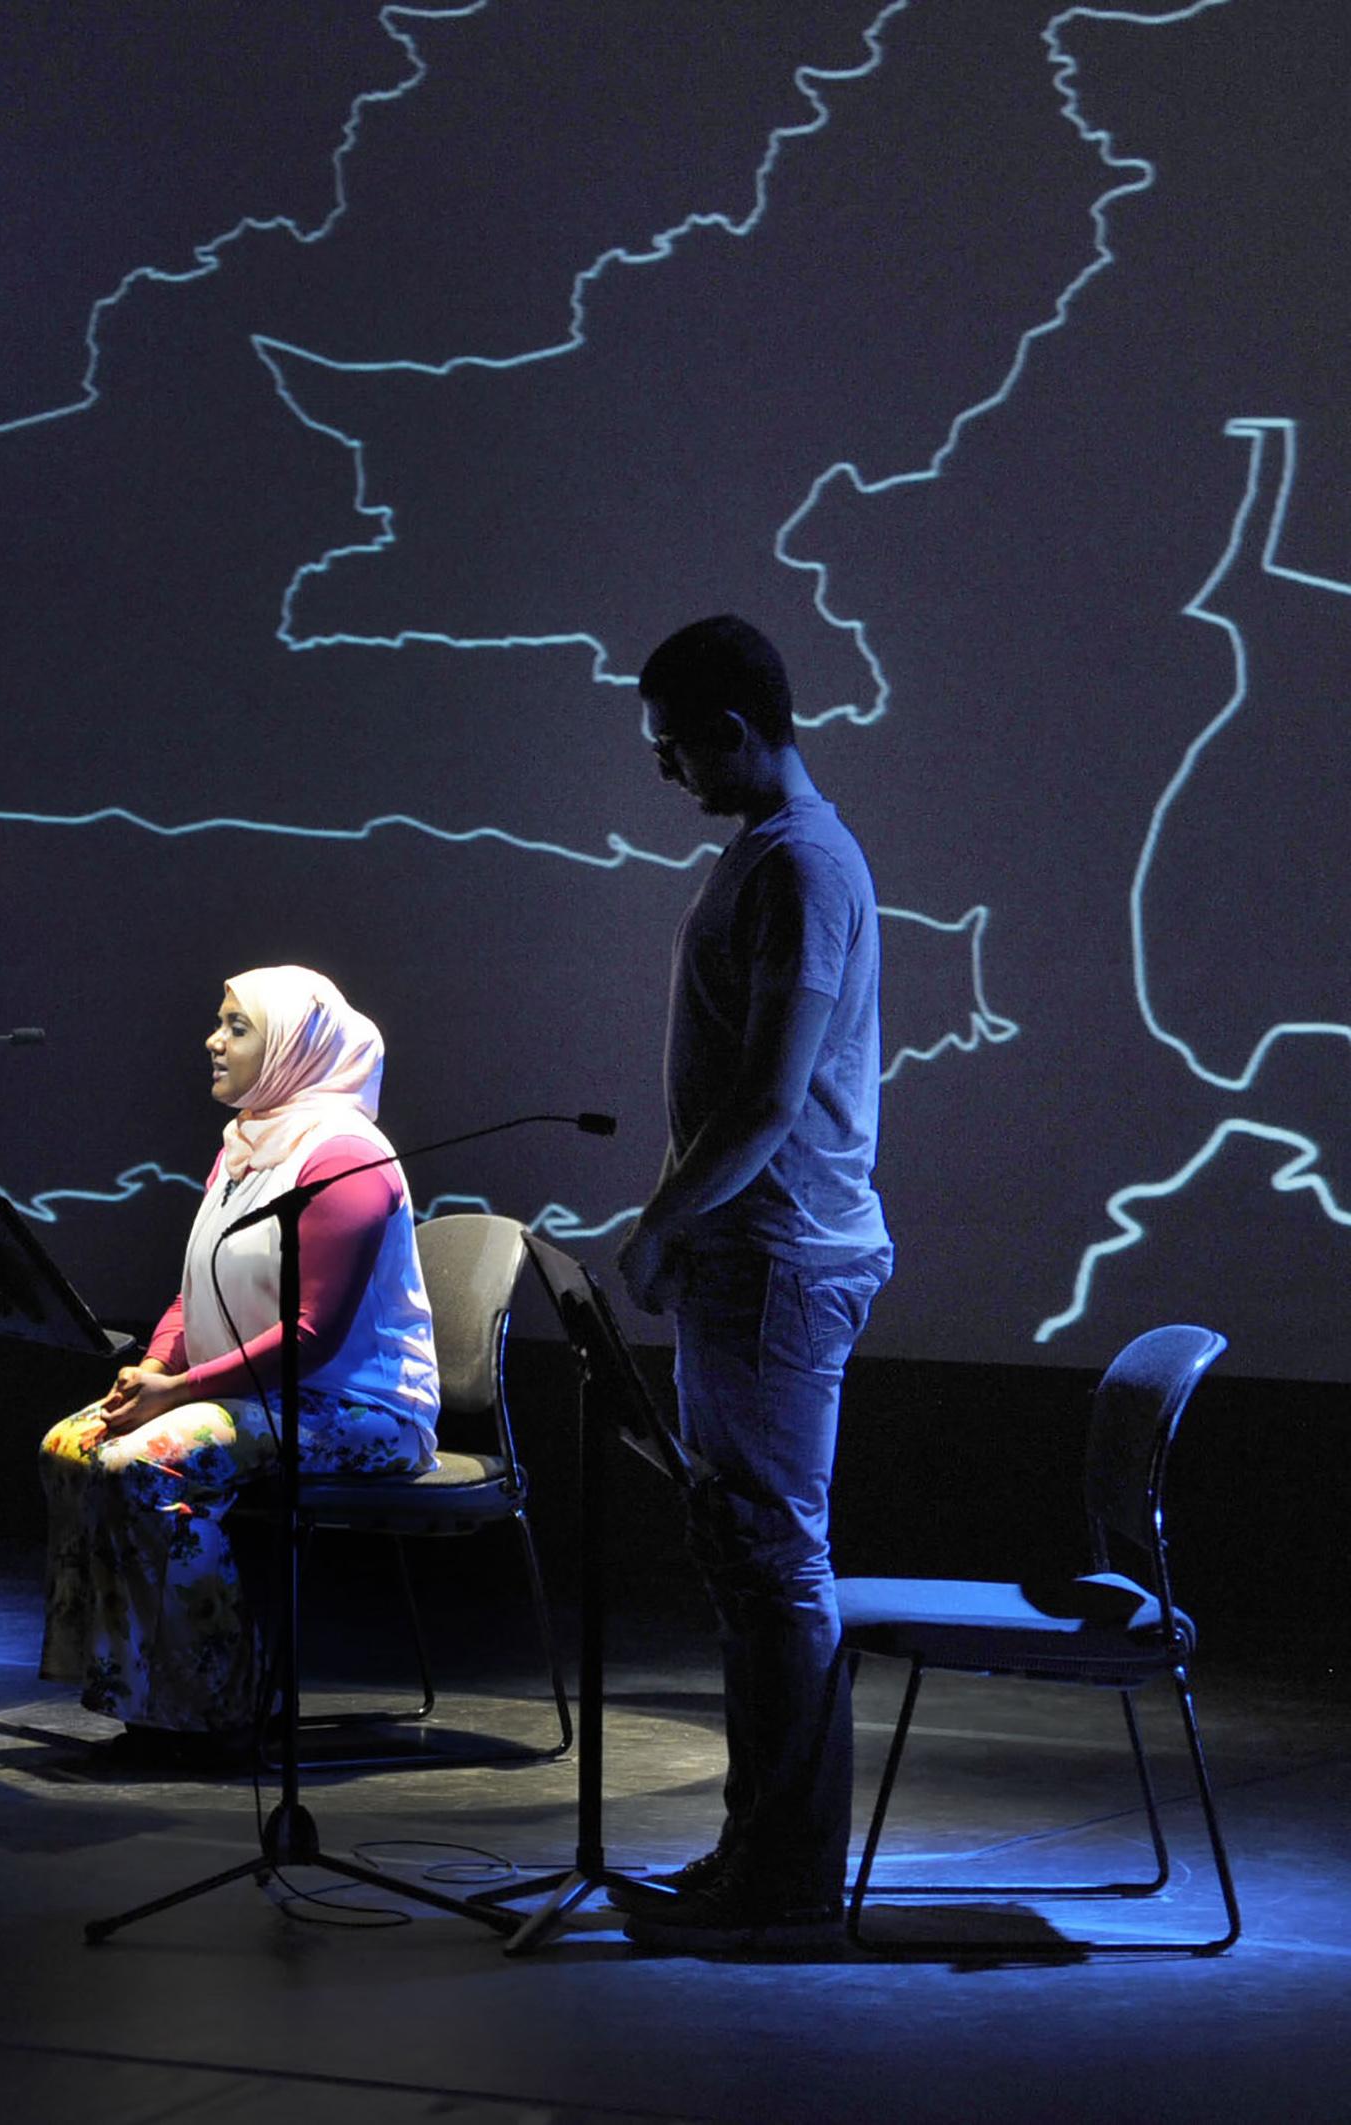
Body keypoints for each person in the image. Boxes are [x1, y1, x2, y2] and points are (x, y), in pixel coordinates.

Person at [610, 614, 894, 1950]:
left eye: (675, 751)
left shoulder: (798, 865)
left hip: (776, 1262)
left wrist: (665, 1223)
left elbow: (772, 1096)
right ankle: (758, 1860)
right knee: (751, 1560)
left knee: (775, 1567)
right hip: (757, 1261)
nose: (668, 776)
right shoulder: (769, 858)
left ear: (732, 731)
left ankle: (782, 1883)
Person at [39, 965, 439, 1762]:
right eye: (218, 1022)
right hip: (248, 1395)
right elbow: (198, 1290)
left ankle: (220, 1705)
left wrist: (176, 1393)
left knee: (152, 1463)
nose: (213, 1040)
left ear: (292, 1045)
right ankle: (144, 1699)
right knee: (72, 1444)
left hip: (357, 1409)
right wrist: (151, 1366)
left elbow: (312, 1337)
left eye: (236, 1026)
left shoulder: (344, 1157)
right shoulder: (246, 1145)